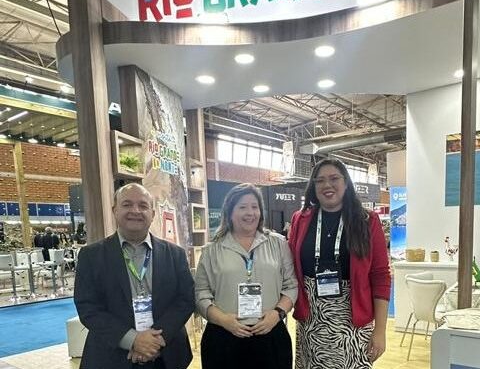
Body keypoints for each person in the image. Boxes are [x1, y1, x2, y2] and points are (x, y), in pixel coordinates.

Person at [74, 183, 195, 369]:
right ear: (114, 210)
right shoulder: (91, 256)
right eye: (127, 204)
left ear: (152, 214)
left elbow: (186, 299)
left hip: (167, 355)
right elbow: (88, 307)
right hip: (111, 357)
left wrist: (154, 341)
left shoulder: (175, 254)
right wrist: (133, 340)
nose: (135, 211)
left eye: (143, 205)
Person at [288, 158, 392, 369]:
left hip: (352, 322)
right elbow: (289, 266)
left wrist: (380, 330)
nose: (327, 185)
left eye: (334, 178)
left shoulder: (367, 220)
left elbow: (380, 275)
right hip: (311, 323)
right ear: (313, 187)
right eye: (320, 181)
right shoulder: (300, 219)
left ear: (346, 183)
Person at [195, 183, 297, 369]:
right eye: (242, 207)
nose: (250, 213)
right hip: (224, 337)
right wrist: (223, 320)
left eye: (254, 207)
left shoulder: (278, 244)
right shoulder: (212, 250)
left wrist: (277, 314)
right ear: (229, 212)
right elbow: (201, 293)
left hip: (270, 334)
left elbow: (291, 286)